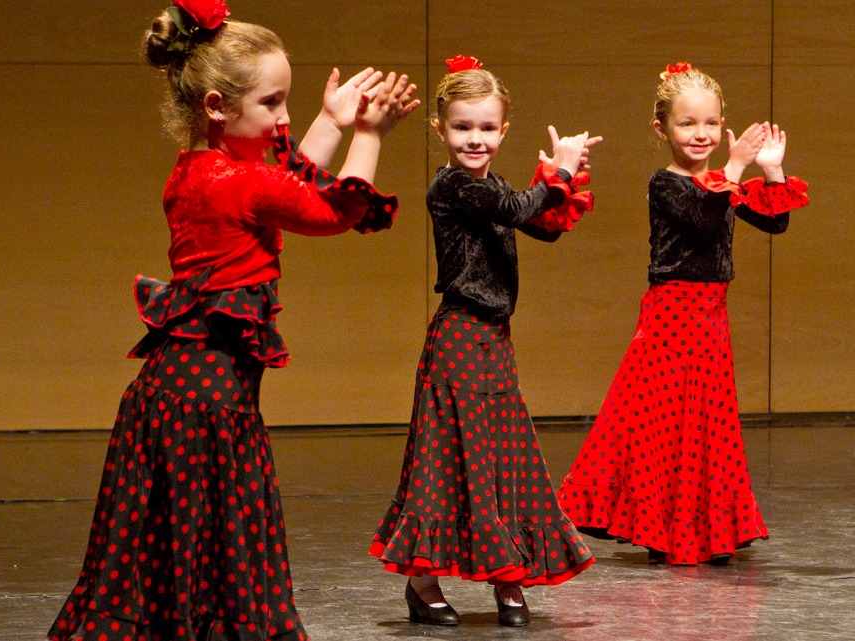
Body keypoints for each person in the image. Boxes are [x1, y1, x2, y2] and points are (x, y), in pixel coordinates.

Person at [48, 1, 418, 639]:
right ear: (217, 105)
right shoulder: (238, 185)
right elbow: (332, 212)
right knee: (223, 545)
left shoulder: (197, 171)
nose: (286, 117)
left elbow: (276, 182)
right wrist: (369, 135)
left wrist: (331, 120)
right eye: (273, 104)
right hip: (208, 406)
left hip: (172, 398)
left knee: (166, 551)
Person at [369, 55, 599, 627]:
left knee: (504, 460)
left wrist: (561, 183)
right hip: (459, 338)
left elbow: (535, 223)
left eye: (488, 128)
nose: (476, 139)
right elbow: (521, 207)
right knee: (448, 461)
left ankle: (507, 576)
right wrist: (558, 175)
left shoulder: (492, 184)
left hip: (494, 340)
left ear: (504, 131)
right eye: (463, 127)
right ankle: (423, 581)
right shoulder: (451, 185)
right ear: (441, 129)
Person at [556, 62, 809, 566]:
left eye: (711, 123)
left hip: (711, 315)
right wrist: (734, 168)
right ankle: (659, 525)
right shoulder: (665, 183)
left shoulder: (721, 181)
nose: (702, 134)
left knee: (707, 422)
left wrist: (771, 169)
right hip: (671, 314)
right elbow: (702, 214)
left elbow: (775, 221)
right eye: (688, 123)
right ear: (662, 129)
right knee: (661, 421)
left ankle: (704, 528)